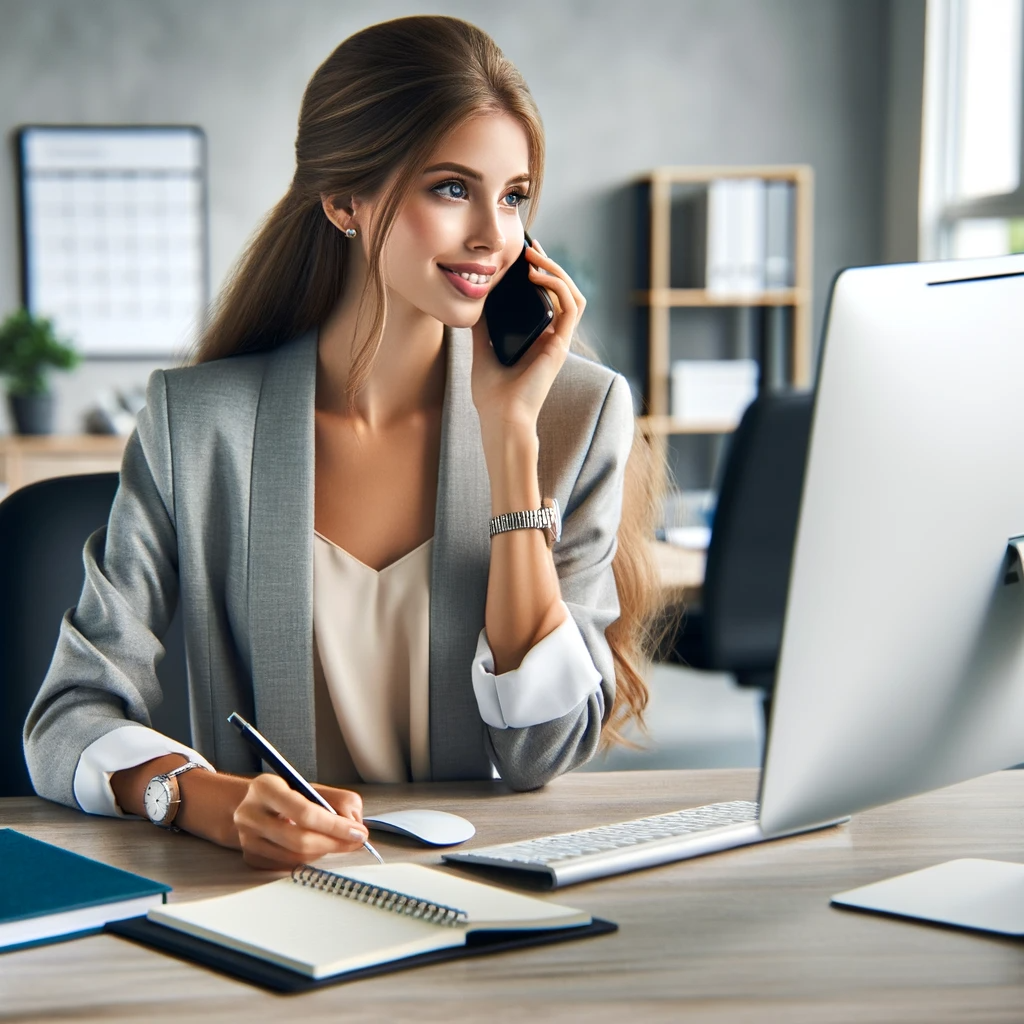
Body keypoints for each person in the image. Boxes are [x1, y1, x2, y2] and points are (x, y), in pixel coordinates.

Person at [24, 15, 663, 870]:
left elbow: (540, 751)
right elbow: (67, 716)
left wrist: (511, 442)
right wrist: (200, 796)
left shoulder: (575, 415)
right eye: (450, 188)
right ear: (343, 201)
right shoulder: (198, 427)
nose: (493, 235)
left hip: (498, 890)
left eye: (513, 196)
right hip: (271, 892)